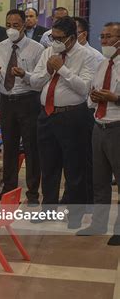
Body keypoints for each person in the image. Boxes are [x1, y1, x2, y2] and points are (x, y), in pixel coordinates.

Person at [30, 16, 97, 228]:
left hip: (72, 116)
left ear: (72, 38)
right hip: (46, 114)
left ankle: (75, 216)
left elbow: (84, 88)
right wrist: (49, 70)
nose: (55, 42)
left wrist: (62, 69)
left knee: (74, 167)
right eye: (53, 37)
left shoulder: (87, 56)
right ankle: (48, 210)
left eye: (59, 38)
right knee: (48, 166)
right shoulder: (49, 51)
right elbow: (34, 82)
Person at [0, 9, 44, 204]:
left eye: (16, 25)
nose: (11, 29)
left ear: (24, 26)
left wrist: (24, 75)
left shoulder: (36, 49)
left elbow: (40, 81)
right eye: (8, 25)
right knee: (8, 147)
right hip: (6, 100)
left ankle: (33, 193)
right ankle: (8, 189)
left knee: (31, 148)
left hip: (28, 101)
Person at [77, 22, 120, 246]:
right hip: (99, 125)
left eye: (108, 37)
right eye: (102, 37)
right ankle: (98, 222)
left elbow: (114, 97)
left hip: (117, 126)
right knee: (99, 180)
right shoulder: (102, 64)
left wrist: (115, 98)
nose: (104, 41)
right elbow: (91, 93)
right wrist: (93, 98)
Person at [73, 16, 104, 206]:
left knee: (88, 158)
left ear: (83, 35)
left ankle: (89, 198)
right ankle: (75, 196)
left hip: (87, 111)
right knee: (74, 158)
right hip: (70, 112)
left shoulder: (95, 56)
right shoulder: (66, 54)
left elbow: (91, 88)